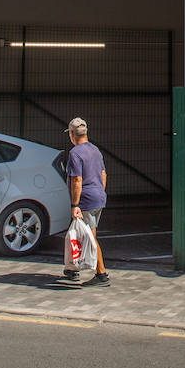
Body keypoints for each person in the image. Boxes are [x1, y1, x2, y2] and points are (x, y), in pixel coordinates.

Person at [62, 116, 109, 287]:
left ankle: (101, 274)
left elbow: (77, 180)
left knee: (89, 237)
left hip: (86, 201)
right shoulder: (95, 150)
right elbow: (103, 175)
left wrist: (75, 205)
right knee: (80, 233)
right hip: (98, 198)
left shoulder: (75, 153)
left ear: (72, 135)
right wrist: (99, 192)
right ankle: (72, 268)